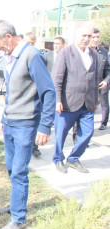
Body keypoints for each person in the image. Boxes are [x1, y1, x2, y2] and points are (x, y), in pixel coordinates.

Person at [0, 20, 55, 229]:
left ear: (9, 37)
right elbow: (12, 93)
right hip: (10, 123)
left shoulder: (31, 55)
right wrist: (3, 117)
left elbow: (48, 92)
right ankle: (14, 202)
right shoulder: (11, 57)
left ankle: (18, 218)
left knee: (18, 172)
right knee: (11, 168)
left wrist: (45, 127)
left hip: (26, 125)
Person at [53, 23, 99, 174]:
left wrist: (96, 99)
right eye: (83, 36)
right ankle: (58, 159)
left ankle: (73, 158)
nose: (86, 39)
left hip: (87, 103)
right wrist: (57, 100)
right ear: (76, 36)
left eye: (89, 36)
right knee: (61, 133)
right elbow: (57, 78)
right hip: (67, 102)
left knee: (88, 132)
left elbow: (95, 79)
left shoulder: (94, 54)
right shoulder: (66, 52)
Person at [89, 28, 109, 130]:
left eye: (97, 37)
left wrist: (106, 80)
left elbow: (108, 70)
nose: (96, 39)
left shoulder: (103, 51)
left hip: (101, 84)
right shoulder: (83, 51)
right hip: (86, 88)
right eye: (93, 37)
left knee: (104, 103)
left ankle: (103, 123)